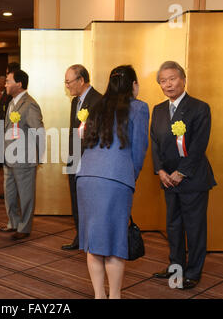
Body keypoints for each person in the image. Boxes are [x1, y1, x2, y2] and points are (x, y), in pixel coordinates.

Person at [77, 65, 149, 299]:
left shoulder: (96, 106)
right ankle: (115, 296)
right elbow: (138, 152)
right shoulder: (138, 107)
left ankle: (99, 295)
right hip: (115, 180)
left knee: (94, 240)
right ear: (134, 85)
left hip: (86, 177)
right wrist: (130, 177)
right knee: (115, 241)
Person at [151, 61, 216, 289]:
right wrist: (159, 170)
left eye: (172, 78)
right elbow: (155, 143)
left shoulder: (199, 108)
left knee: (194, 227)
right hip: (167, 180)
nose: (168, 84)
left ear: (183, 79)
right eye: (163, 80)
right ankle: (175, 266)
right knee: (173, 226)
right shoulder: (158, 109)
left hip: (193, 180)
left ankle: (193, 272)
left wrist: (181, 172)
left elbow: (198, 145)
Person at [0, 69, 44, 240]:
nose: (5, 84)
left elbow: (38, 132)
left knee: (25, 195)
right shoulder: (11, 103)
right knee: (9, 193)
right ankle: (13, 223)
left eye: (8, 81)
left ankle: (24, 227)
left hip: (24, 158)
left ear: (19, 84)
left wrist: (37, 156)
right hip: (9, 157)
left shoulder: (29, 104)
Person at [62, 64, 103, 251]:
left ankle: (92, 239)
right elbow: (74, 133)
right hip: (75, 160)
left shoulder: (98, 101)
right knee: (75, 199)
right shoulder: (74, 102)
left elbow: (100, 137)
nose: (67, 86)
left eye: (69, 82)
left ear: (81, 80)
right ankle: (80, 236)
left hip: (91, 162)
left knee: (91, 202)